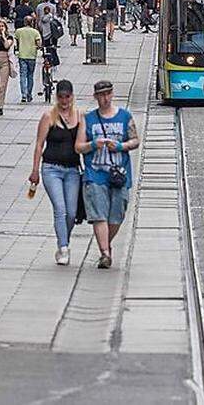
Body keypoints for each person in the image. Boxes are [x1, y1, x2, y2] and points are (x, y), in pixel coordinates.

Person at [74, 80, 139, 269]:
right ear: (95, 97)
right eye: (101, 95)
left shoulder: (125, 117)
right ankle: (105, 253)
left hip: (119, 175)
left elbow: (135, 140)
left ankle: (106, 243)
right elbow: (78, 146)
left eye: (107, 94)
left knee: (117, 215)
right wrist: (93, 145)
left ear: (112, 94)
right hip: (95, 175)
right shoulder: (88, 119)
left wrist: (120, 146)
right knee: (99, 215)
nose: (104, 98)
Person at [28, 80, 83, 266]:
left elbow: (84, 142)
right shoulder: (48, 117)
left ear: (72, 96)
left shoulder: (79, 117)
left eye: (67, 96)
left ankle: (63, 241)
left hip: (73, 170)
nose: (64, 100)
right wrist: (35, 170)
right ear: (56, 97)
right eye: (61, 97)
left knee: (72, 212)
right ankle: (64, 247)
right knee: (60, 209)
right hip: (51, 169)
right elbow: (38, 144)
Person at [14, 15, 42, 103]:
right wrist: (37, 47)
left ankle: (23, 95)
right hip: (32, 55)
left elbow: (16, 41)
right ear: (32, 22)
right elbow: (39, 44)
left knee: (23, 75)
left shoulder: (19, 31)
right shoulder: (35, 32)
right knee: (30, 75)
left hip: (22, 55)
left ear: (24, 22)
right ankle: (29, 94)